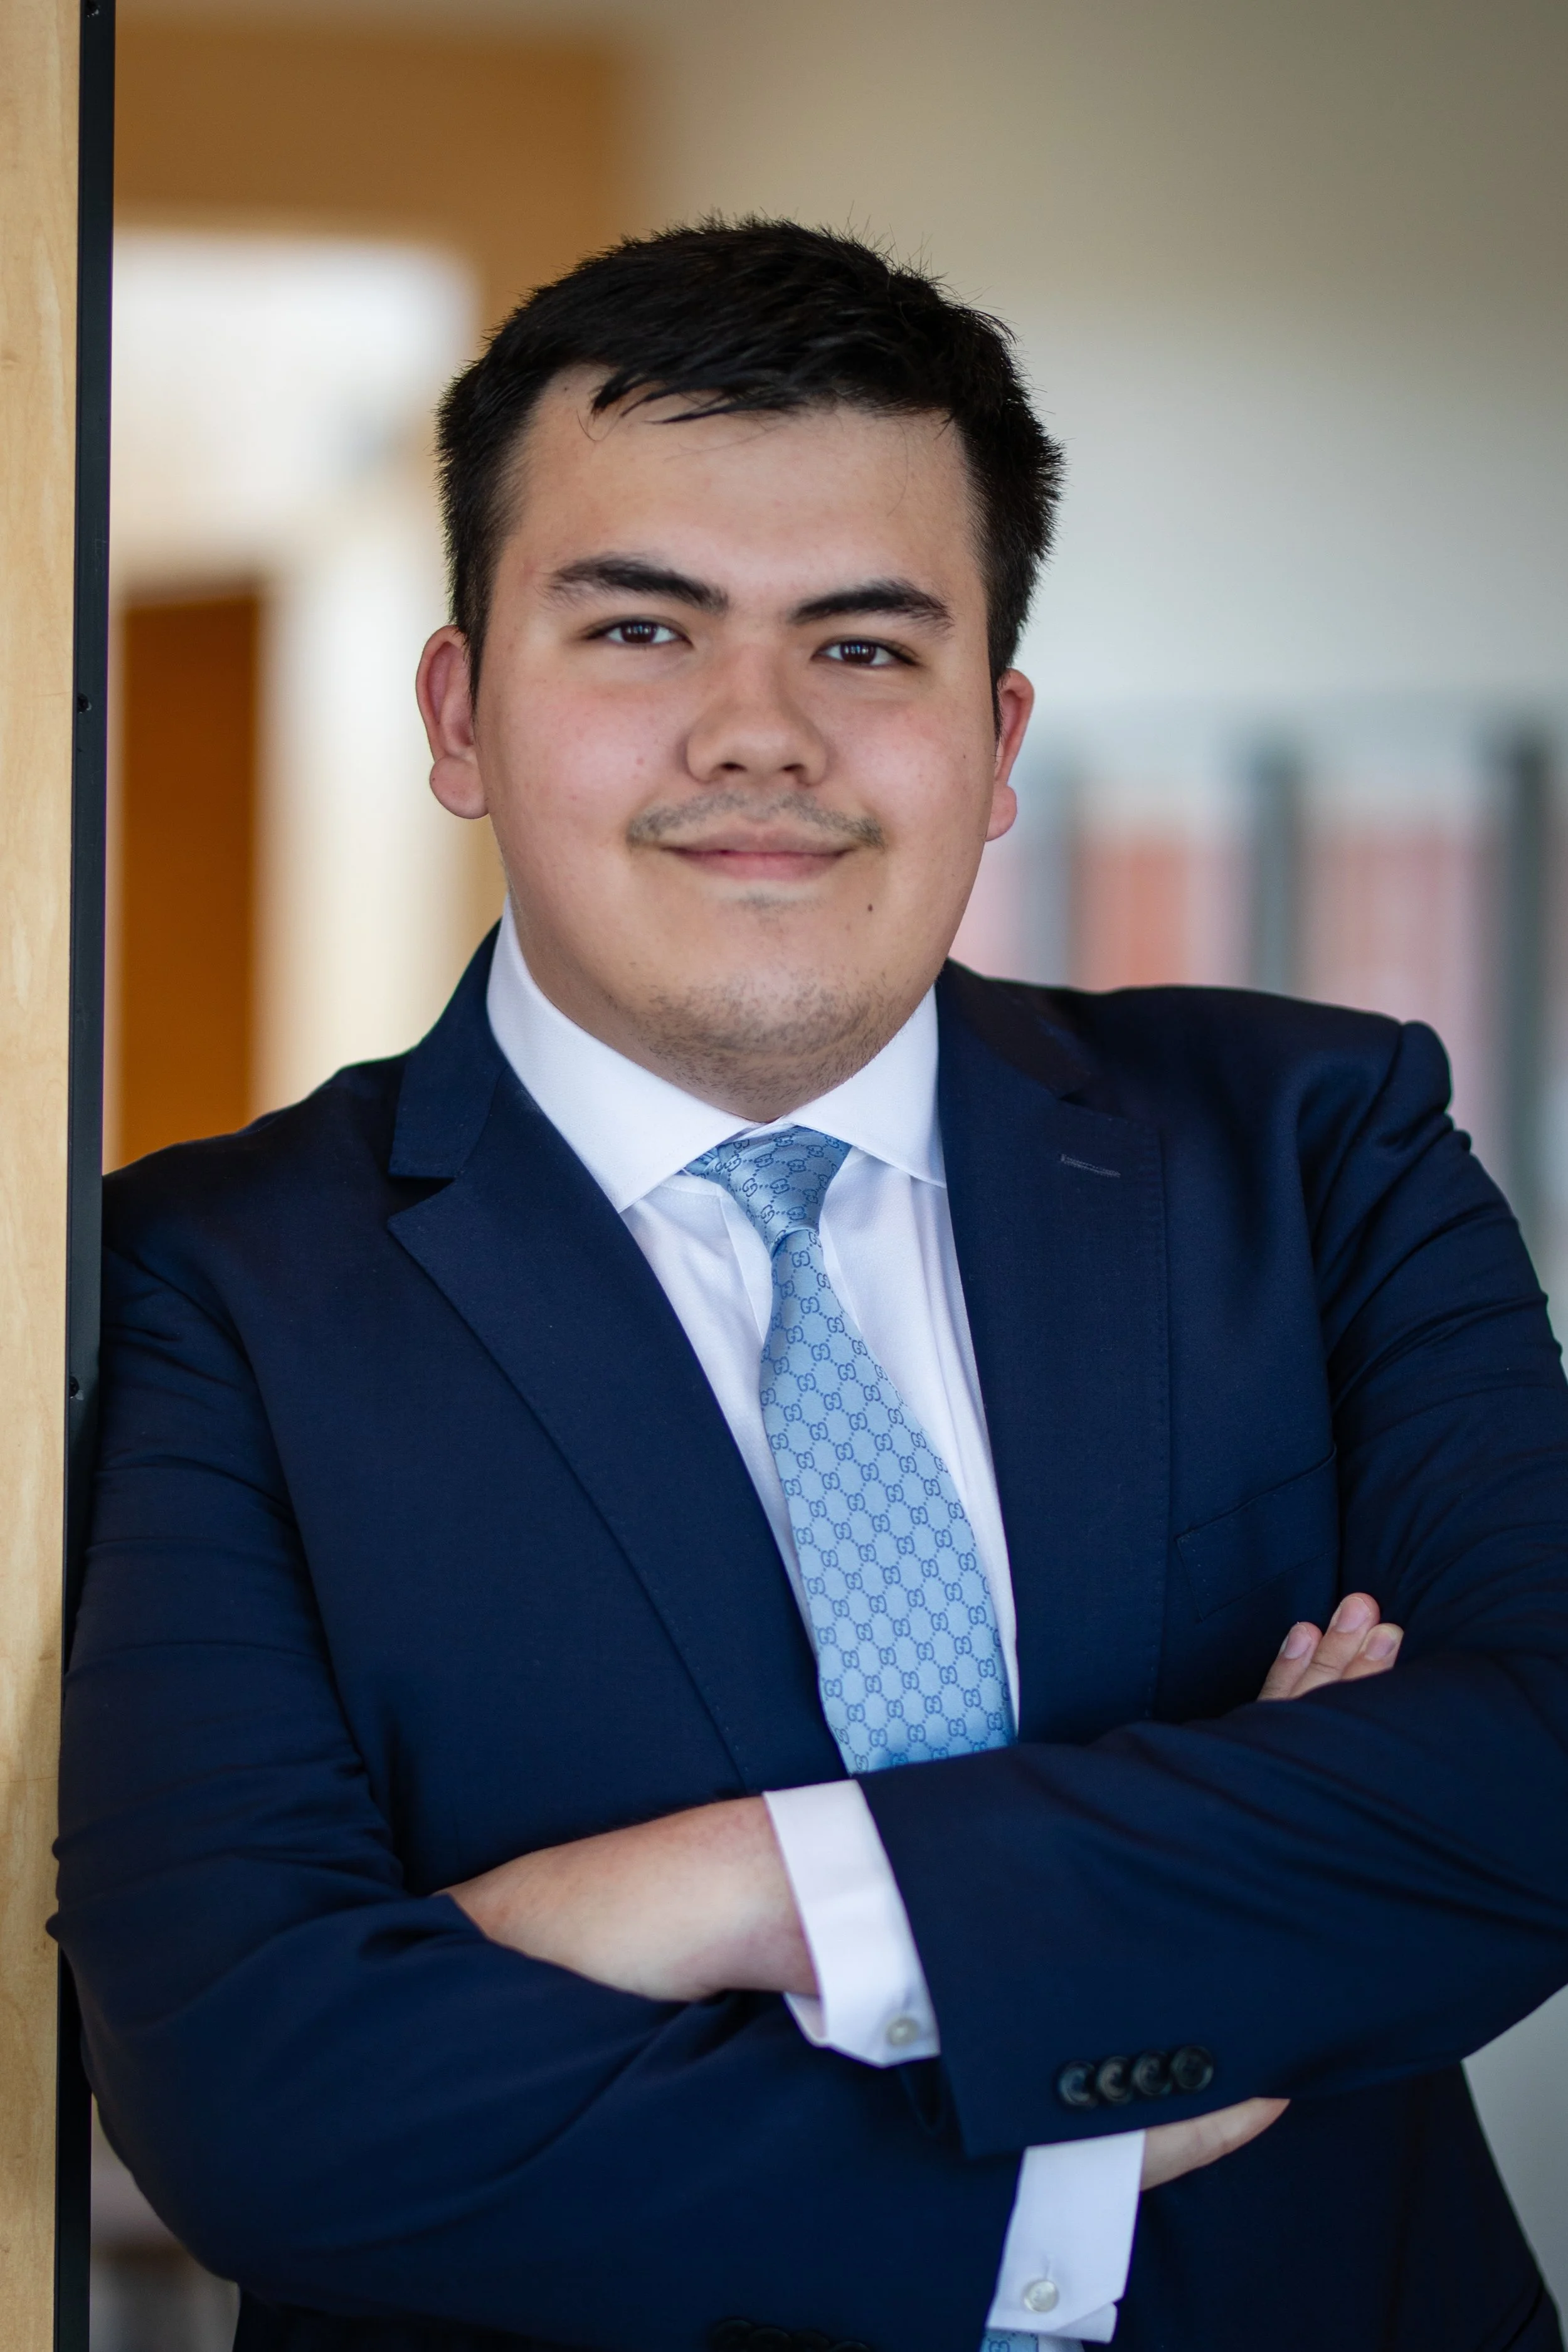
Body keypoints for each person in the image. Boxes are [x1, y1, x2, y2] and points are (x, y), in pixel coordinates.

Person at [56, 221, 1568, 2352]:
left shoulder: (1315, 1143)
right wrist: (1157, 1991)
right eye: (642, 629)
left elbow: (1535, 1788)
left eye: (864, 647)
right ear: (461, 709)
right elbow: (264, 2093)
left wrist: (723, 1892)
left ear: (995, 728)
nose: (757, 733)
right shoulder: (193, 1284)